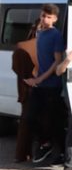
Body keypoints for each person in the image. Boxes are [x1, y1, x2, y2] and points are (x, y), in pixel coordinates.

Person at [24, 4, 66, 164]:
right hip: (40, 84)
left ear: (55, 19)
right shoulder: (40, 33)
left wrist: (40, 79)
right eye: (43, 16)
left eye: (48, 17)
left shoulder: (56, 35)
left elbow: (57, 62)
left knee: (55, 121)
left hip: (52, 85)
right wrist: (35, 74)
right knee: (30, 117)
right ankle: (45, 143)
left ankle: (60, 152)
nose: (44, 19)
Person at [11, 21, 39, 162]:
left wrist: (25, 77)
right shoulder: (42, 46)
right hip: (40, 89)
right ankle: (38, 154)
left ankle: (22, 155)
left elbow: (15, 68)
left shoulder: (21, 46)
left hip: (24, 90)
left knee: (25, 123)